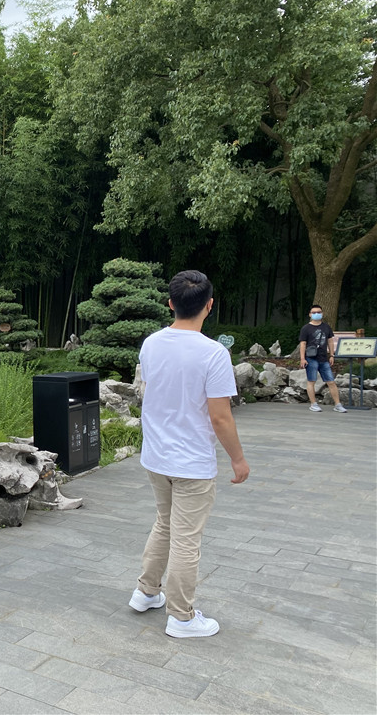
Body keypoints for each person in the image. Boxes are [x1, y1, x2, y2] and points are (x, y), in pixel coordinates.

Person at [130, 270, 250, 638]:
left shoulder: (151, 344)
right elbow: (220, 416)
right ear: (209, 306)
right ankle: (182, 617)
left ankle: (146, 592)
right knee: (186, 539)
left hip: (156, 456)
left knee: (165, 523)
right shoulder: (213, 353)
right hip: (192, 463)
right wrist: (238, 459)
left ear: (170, 303)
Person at [299, 305, 347, 413]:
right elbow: (303, 343)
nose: (316, 314)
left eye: (319, 312)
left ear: (322, 313)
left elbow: (330, 341)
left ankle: (338, 404)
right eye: (314, 312)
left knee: (331, 381)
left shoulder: (326, 327)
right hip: (311, 358)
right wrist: (302, 358)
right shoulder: (306, 328)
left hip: (324, 358)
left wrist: (332, 355)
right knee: (311, 381)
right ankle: (313, 404)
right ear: (310, 314)